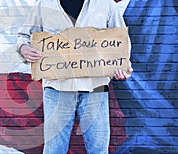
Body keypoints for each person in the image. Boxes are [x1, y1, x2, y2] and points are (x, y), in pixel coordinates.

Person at [17, 0, 133, 153]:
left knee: (98, 150)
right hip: (56, 88)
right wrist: (23, 48)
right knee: (54, 149)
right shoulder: (44, 4)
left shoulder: (105, 4)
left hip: (96, 88)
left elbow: (120, 39)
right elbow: (24, 36)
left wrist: (123, 66)